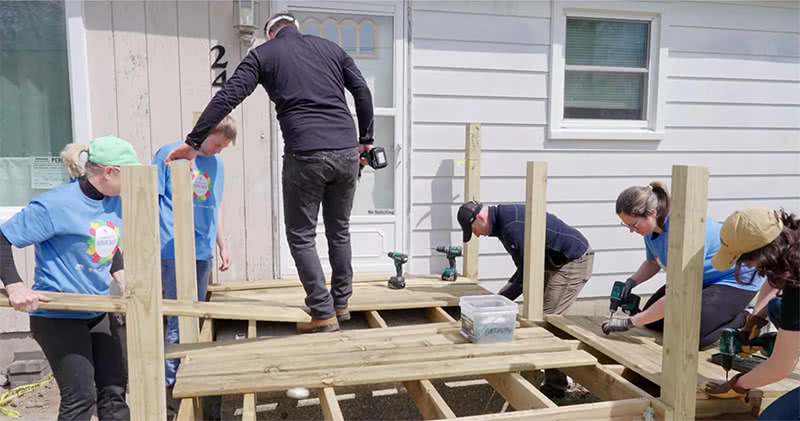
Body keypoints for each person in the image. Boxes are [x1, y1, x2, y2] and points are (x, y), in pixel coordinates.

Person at [164, 13, 374, 333]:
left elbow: (228, 97)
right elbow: (362, 91)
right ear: (295, 29)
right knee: (339, 229)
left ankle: (323, 312)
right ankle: (341, 302)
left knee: (302, 235)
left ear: (270, 35)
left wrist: (194, 142)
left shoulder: (263, 55)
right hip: (346, 152)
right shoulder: (331, 49)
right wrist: (366, 140)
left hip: (306, 153)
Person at [0, 136, 138, 420]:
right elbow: (2, 238)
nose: (135, 181)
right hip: (58, 315)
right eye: (131, 173)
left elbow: (105, 238)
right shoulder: (56, 205)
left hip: (97, 310)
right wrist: (15, 286)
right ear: (110, 172)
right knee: (81, 397)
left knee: (114, 392)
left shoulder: (114, 202)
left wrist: (120, 274)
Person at [457, 200, 594, 398]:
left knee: (546, 323)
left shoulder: (511, 227)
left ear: (479, 217)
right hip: (552, 261)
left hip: (572, 259)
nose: (477, 235)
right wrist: (498, 300)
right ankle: (549, 380)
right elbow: (525, 270)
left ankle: (556, 390)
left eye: (474, 230)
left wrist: (496, 304)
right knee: (539, 319)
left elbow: (525, 277)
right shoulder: (503, 222)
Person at [602, 182, 765, 349]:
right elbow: (652, 262)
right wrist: (631, 282)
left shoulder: (685, 230)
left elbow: (678, 293)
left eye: (633, 225)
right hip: (697, 279)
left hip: (733, 279)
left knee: (692, 336)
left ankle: (744, 316)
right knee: (654, 323)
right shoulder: (650, 232)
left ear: (652, 212)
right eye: (627, 225)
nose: (631, 230)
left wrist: (631, 322)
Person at [153, 116, 236, 416]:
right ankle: (172, 396)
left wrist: (222, 244)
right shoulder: (170, 154)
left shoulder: (217, 166)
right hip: (174, 250)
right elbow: (152, 199)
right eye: (216, 144)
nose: (218, 151)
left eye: (223, 148)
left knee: (197, 318)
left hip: (202, 251)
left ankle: (190, 380)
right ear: (204, 133)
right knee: (178, 320)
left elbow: (215, 206)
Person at [704, 207, 799, 420]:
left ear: (764, 254)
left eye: (744, 260)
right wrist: (755, 319)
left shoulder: (797, 293)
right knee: (776, 307)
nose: (745, 265)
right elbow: (776, 279)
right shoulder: (793, 239)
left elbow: (780, 369)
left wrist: (739, 384)